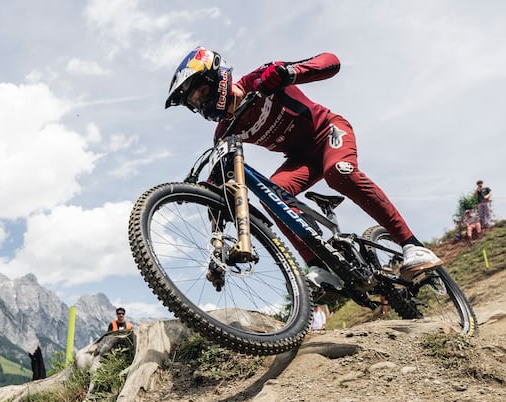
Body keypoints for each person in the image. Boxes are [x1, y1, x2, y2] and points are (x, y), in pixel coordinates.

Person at [164, 48, 443, 288]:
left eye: (202, 91)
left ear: (217, 78)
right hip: (301, 159)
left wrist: (289, 73)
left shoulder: (259, 80)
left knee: (338, 172)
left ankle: (412, 245)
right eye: (195, 101)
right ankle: (319, 267)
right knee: (272, 196)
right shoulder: (225, 133)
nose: (202, 101)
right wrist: (215, 247)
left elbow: (331, 62)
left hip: (327, 132)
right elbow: (219, 191)